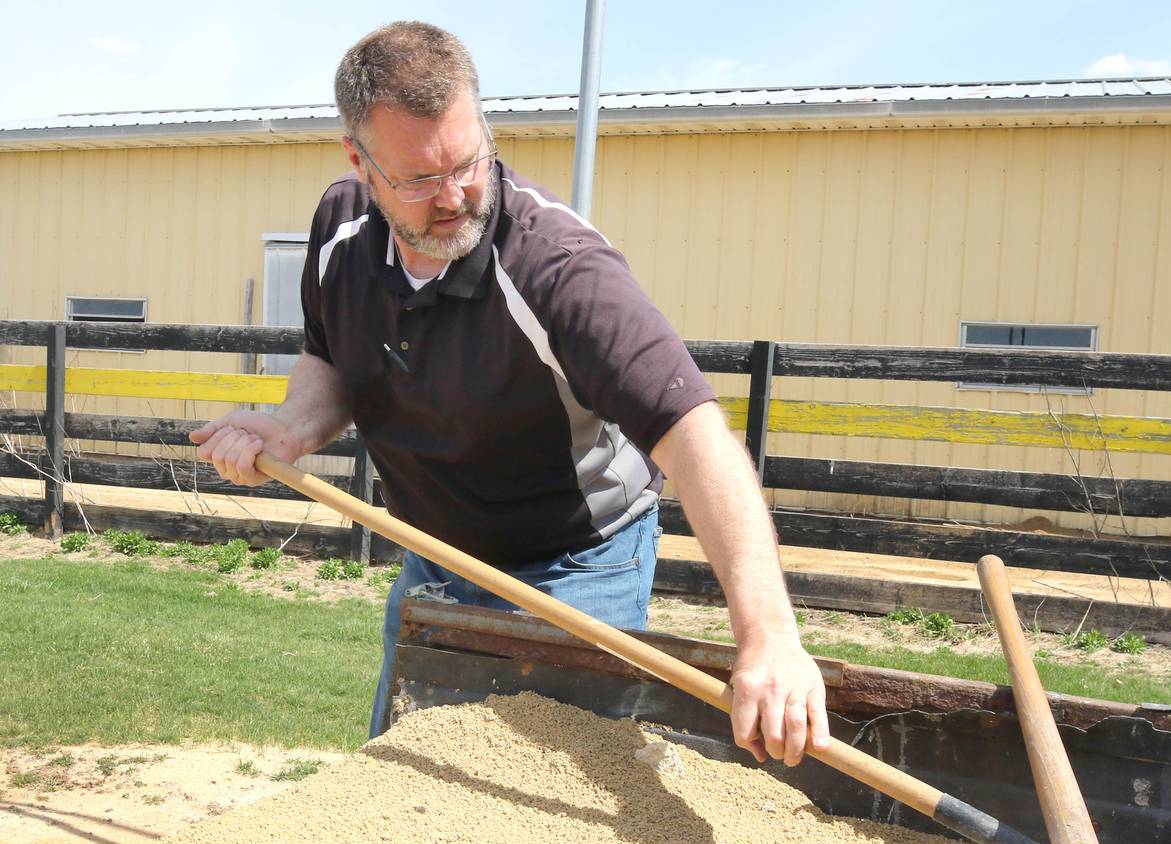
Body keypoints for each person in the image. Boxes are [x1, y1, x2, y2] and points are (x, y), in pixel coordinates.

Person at [191, 21, 828, 766]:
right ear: (360, 163)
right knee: (403, 780)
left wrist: (770, 637)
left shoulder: (558, 270)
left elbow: (694, 435)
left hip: (576, 565)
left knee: (547, 801)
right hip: (433, 554)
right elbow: (331, 355)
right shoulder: (339, 231)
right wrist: (291, 428)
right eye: (421, 179)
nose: (456, 195)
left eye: (469, 161)